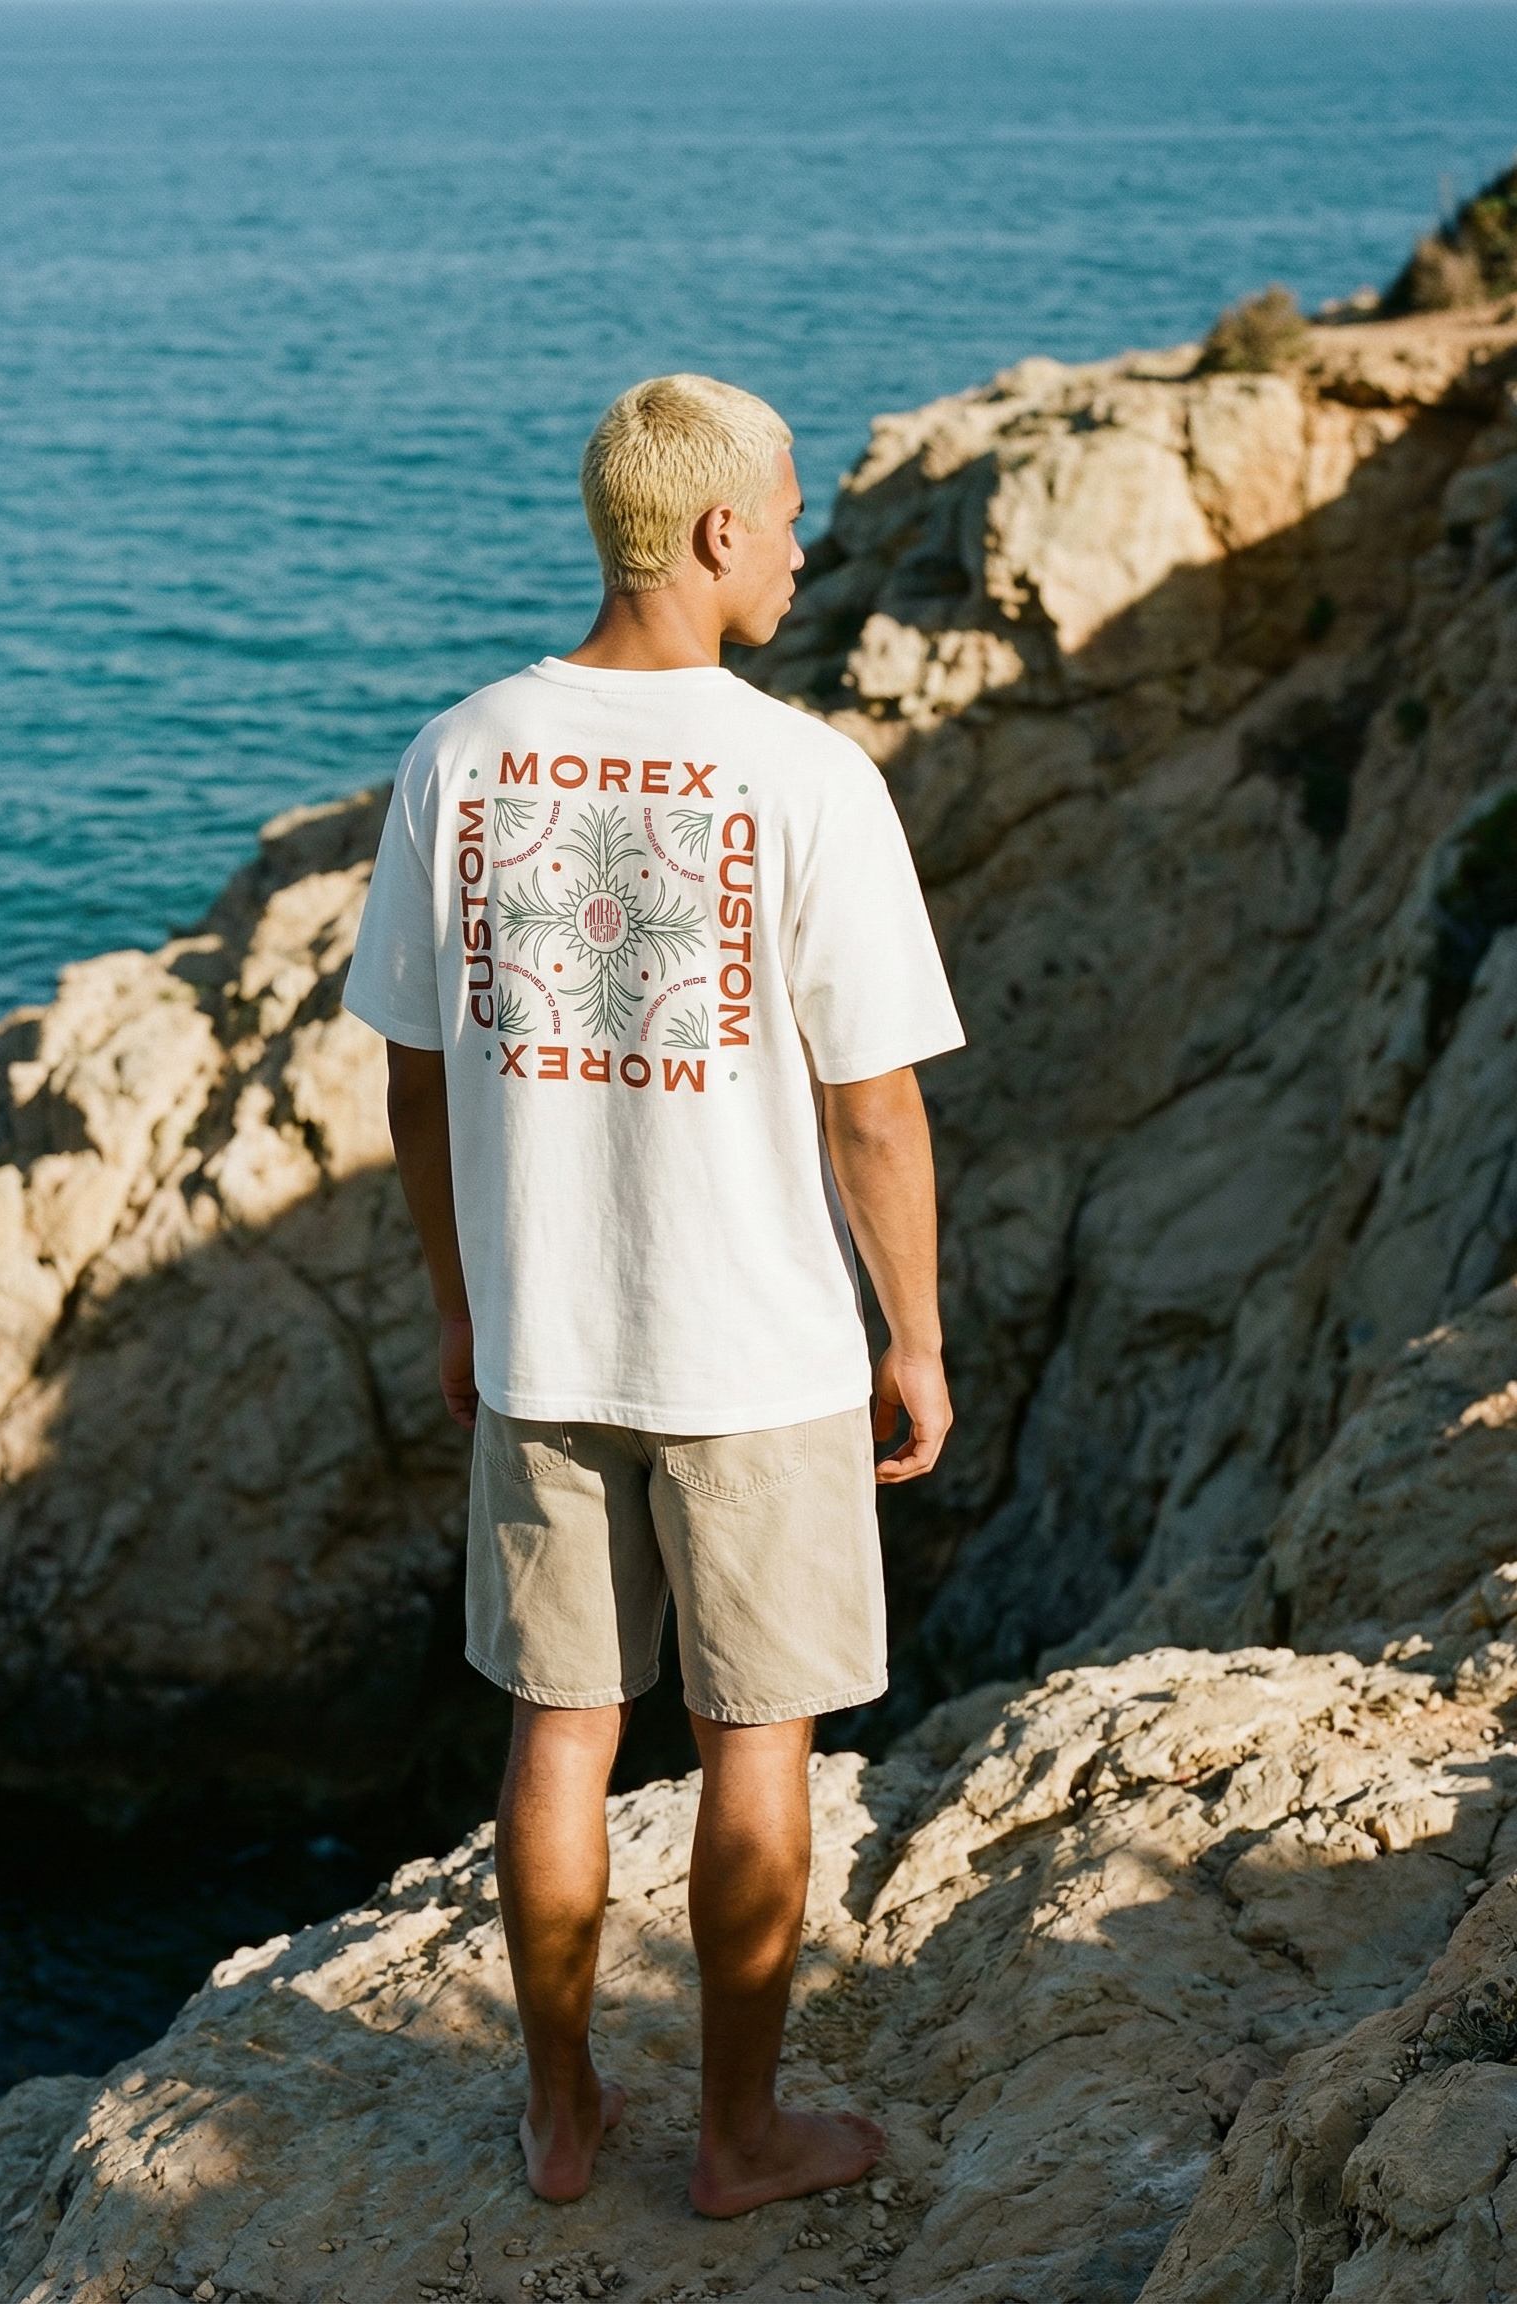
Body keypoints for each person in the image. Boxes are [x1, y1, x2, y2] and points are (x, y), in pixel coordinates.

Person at [340, 373, 967, 2218]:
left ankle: (557, 2120)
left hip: (546, 1334)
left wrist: (460, 1304)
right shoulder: (806, 773)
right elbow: (876, 1110)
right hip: (758, 1350)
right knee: (753, 1745)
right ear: (710, 535)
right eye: (784, 513)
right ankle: (740, 2137)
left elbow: (412, 1072)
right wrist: (913, 1336)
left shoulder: (460, 751)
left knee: (560, 1731)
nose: (799, 542)